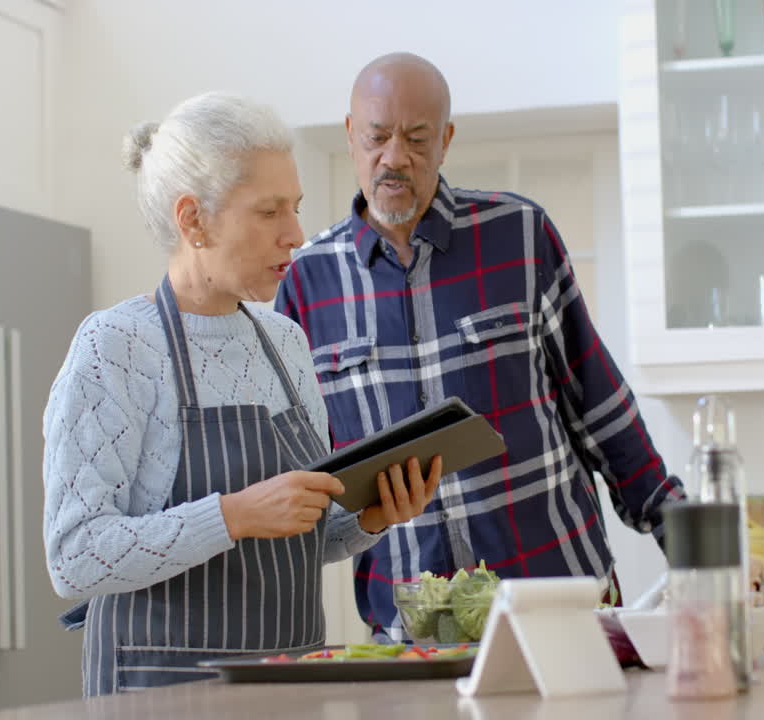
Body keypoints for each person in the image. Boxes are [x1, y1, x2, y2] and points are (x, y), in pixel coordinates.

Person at [42, 92, 442, 695]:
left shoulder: (284, 341)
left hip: (285, 689)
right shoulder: (116, 347)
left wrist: (367, 519)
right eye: (269, 212)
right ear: (193, 219)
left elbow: (297, 537)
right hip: (160, 694)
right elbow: (74, 556)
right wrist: (232, 515)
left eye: (297, 208)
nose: (296, 235)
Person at [274, 53, 685, 640]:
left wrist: (691, 541)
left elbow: (599, 405)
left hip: (561, 605)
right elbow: (301, 469)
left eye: (417, 139)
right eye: (377, 136)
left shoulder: (518, 234)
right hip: (413, 632)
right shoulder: (305, 282)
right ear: (349, 135)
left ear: (446, 140)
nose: (394, 158)